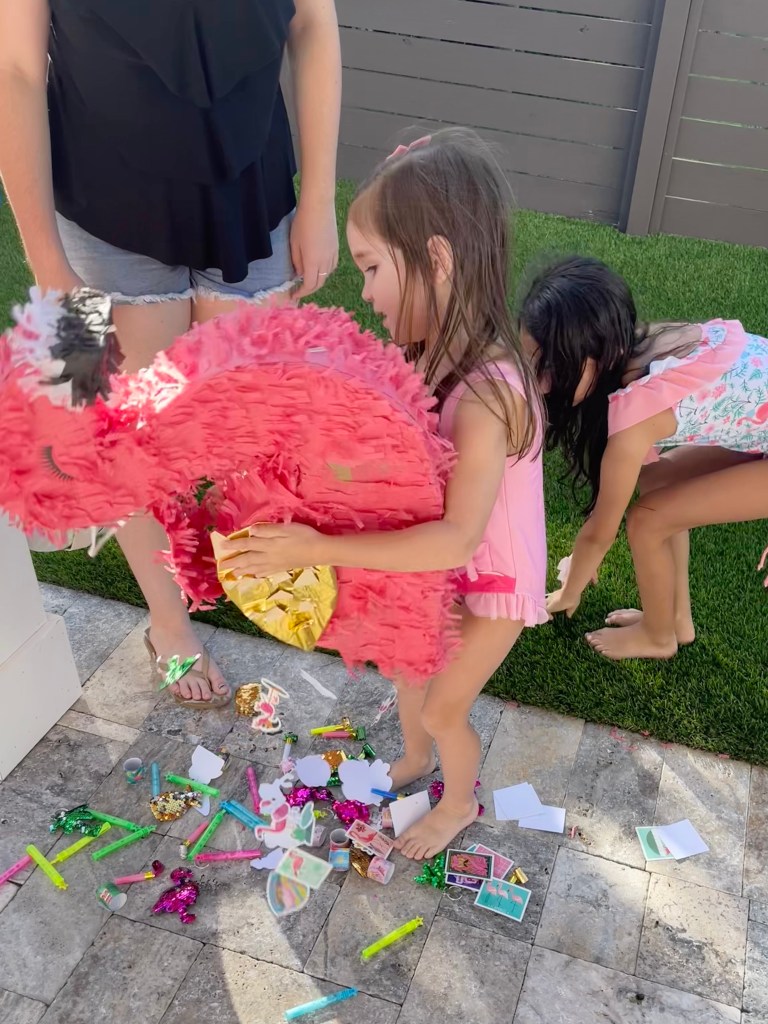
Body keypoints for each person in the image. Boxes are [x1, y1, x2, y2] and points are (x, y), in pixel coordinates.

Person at [0, 0, 341, 706]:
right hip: (98, 207)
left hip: (253, 189)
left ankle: (257, 571)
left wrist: (320, 198)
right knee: (118, 436)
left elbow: (312, 22)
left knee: (251, 425)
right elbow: (15, 70)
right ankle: (168, 620)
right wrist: (49, 269)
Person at [218, 130, 548, 859]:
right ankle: (416, 760)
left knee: (443, 706)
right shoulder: (427, 355)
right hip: (446, 563)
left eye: (371, 267)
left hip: (493, 578)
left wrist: (318, 545)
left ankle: (457, 803)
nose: (364, 292)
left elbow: (459, 538)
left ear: (437, 259)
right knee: (409, 665)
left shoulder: (488, 395)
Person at [519, 255, 768, 660]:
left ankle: (657, 636)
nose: (542, 384)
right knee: (657, 482)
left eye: (554, 366)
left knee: (647, 521)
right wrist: (583, 560)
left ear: (602, 353)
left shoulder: (633, 417)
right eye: (533, 364)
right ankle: (676, 620)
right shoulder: (641, 344)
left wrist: (569, 591)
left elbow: (601, 530)